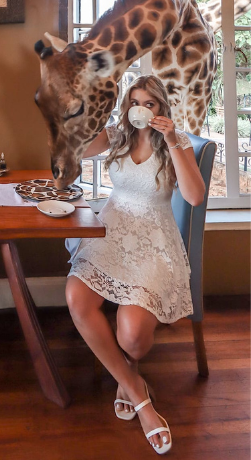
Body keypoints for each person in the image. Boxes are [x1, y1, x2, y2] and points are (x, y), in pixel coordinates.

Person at [65, 75, 205, 455]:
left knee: (134, 339)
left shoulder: (176, 143)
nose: (141, 109)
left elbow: (194, 196)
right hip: (112, 228)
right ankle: (138, 394)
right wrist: (99, 114)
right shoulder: (117, 136)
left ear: (160, 108)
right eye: (135, 102)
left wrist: (172, 139)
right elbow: (75, 149)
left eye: (149, 103)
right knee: (77, 297)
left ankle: (129, 367)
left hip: (154, 239)